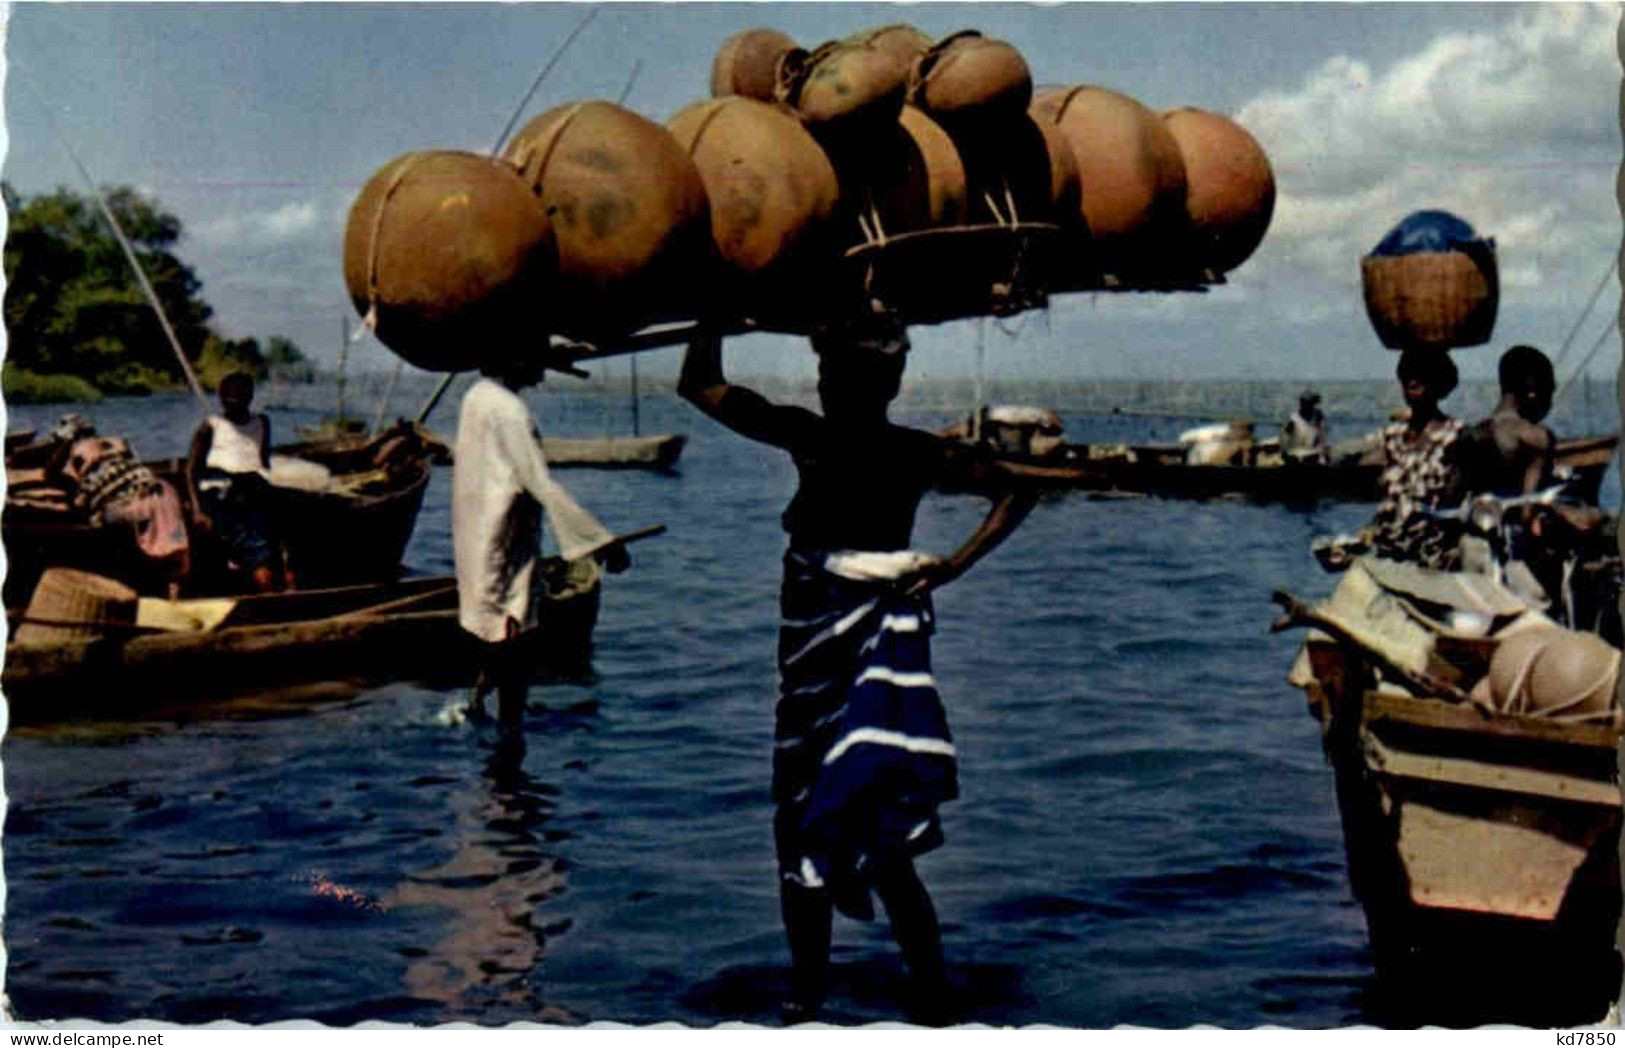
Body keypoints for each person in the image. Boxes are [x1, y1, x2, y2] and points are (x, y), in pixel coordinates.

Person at [678, 315, 1039, 1024]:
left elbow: (700, 383)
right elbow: (1014, 492)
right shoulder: (903, 451)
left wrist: (711, 315)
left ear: (850, 381)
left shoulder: (812, 437)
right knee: (873, 832)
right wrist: (950, 568)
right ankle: (923, 996)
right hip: (831, 659)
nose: (822, 382)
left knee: (810, 824)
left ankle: (813, 1000)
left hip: (837, 661)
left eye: (831, 373)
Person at [452, 352, 630, 757]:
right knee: (512, 642)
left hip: (480, 542)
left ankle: (485, 715)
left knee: (494, 634)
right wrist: (601, 542)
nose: (542, 364)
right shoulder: (511, 411)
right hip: (503, 546)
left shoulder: (476, 396)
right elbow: (541, 485)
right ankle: (509, 750)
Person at [45, 416, 190, 597]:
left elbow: (55, 479)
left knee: (107, 519)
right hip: (162, 493)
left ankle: (153, 580)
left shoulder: (78, 454)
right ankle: (172, 581)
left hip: (133, 503)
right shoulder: (117, 443)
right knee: (165, 534)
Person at [185, 371, 291, 592]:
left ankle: (282, 576)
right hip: (221, 494)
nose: (233, 406)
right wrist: (197, 510)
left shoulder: (261, 423)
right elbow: (191, 470)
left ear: (250, 399)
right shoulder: (211, 426)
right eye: (229, 402)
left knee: (279, 528)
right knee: (254, 544)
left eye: (240, 401)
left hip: (253, 490)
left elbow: (263, 463)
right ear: (221, 400)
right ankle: (265, 584)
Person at [1367, 350, 1467, 568]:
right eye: (1407, 374)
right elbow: (1391, 502)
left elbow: (1455, 509)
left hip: (1432, 562)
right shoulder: (1392, 436)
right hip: (1387, 558)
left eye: (1422, 374)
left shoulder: (1455, 436)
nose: (1412, 380)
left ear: (1439, 382)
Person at [1465, 344, 1557, 497]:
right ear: (1532, 394)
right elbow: (1528, 506)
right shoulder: (1535, 437)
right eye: (1549, 392)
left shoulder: (1473, 433)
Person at [1280, 389, 1329, 463]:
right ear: (1302, 404)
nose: (1312, 406)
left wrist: (1322, 453)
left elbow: (1321, 436)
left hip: (1312, 452)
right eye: (1309, 403)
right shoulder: (1293, 420)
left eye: (1313, 403)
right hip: (1296, 454)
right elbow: (1284, 441)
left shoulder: (1317, 415)